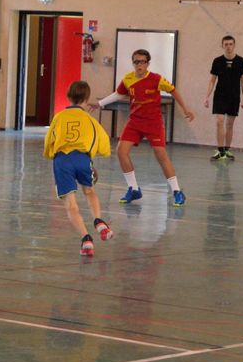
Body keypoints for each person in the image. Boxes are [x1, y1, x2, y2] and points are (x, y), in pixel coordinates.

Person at [91, 49, 195, 207]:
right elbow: (118, 94)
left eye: (142, 62)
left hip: (153, 122)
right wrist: (99, 104)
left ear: (147, 63)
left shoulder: (156, 79)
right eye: (136, 61)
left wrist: (186, 109)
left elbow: (173, 91)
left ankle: (177, 191)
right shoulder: (128, 79)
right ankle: (133, 189)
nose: (139, 65)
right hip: (134, 122)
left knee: (161, 155)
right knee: (121, 151)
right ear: (133, 63)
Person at [44, 80, 115, 256]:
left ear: (68, 97)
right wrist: (96, 155)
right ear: (87, 98)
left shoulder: (59, 117)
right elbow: (103, 142)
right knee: (89, 191)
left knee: (71, 204)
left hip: (62, 160)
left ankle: (86, 239)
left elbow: (49, 141)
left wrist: (51, 155)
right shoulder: (90, 120)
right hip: (83, 159)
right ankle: (99, 221)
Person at [204, 35, 243, 161]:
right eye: (226, 44)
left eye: (230, 44)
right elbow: (212, 80)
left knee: (229, 124)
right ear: (222, 46)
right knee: (219, 121)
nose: (228, 46)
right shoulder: (217, 61)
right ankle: (220, 151)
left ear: (234, 45)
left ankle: (227, 150)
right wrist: (207, 96)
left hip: (234, 97)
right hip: (220, 96)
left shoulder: (241, 61)